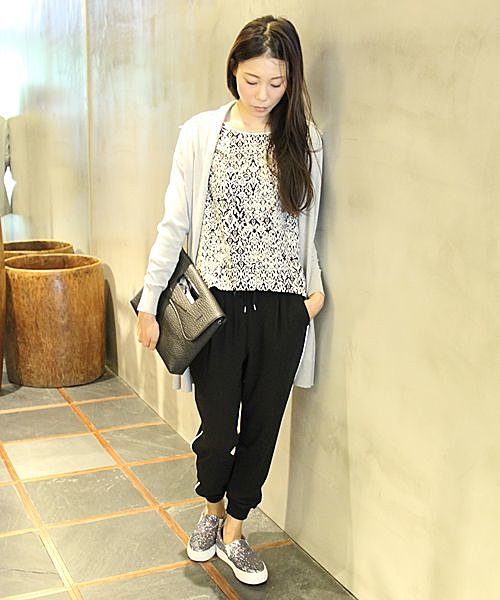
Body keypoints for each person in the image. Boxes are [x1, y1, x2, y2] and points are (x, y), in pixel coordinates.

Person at [137, 15, 325, 586]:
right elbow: (174, 223)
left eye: (276, 82)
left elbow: (307, 229)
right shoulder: (201, 134)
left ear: (291, 79)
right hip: (216, 311)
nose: (263, 94)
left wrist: (311, 297)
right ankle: (211, 509)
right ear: (233, 71)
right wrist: (149, 301)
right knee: (218, 432)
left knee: (263, 429)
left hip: (282, 309)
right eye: (251, 80)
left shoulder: (305, 141)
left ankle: (236, 532)